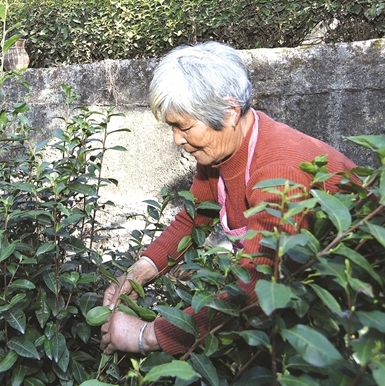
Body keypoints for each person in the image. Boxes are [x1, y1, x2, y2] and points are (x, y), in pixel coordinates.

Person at [99, 41, 357, 356]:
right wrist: (138, 273)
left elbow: (255, 288)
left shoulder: (279, 171)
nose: (177, 139)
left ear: (230, 112)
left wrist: (146, 335)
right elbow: (193, 218)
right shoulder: (220, 153)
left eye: (184, 127)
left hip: (362, 307)